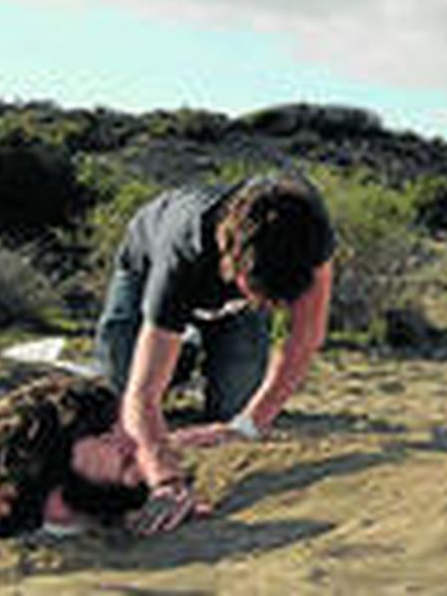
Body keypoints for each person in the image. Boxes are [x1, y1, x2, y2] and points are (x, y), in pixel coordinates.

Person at [92, 171, 336, 533]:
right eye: (260, 296)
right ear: (233, 261)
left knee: (234, 406)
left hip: (229, 302)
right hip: (145, 265)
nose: (269, 305)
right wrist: (166, 479)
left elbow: (306, 335)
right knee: (120, 394)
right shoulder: (181, 253)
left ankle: (184, 351)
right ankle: (178, 354)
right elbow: (141, 396)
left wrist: (248, 425)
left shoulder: (309, 231)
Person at [0, 377, 221, 538]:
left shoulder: (107, 500)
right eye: (105, 435)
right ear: (46, 461)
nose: (131, 444)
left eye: (121, 429)